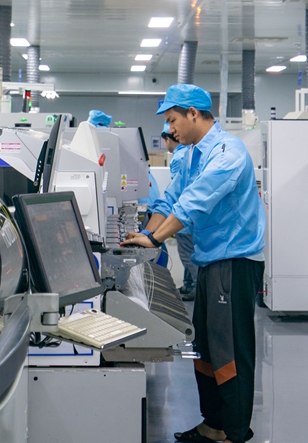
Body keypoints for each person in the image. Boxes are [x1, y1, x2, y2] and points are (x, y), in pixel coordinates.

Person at [124, 84, 265, 443]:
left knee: (229, 351)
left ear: (193, 113)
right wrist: (145, 235)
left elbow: (194, 203)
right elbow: (170, 200)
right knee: (206, 348)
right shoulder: (189, 156)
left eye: (173, 120)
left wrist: (156, 239)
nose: (170, 129)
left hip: (234, 261)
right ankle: (213, 425)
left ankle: (235, 432)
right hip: (210, 260)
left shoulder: (227, 152)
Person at [160, 123, 197, 301]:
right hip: (191, 216)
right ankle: (189, 284)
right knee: (191, 254)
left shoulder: (178, 158)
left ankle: (198, 287)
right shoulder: (188, 153)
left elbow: (178, 191)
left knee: (188, 256)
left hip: (185, 218)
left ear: (168, 139)